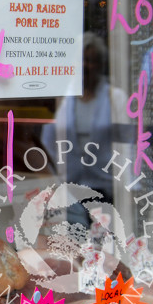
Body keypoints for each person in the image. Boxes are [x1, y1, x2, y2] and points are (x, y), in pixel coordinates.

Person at [42, 32, 129, 224]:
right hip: (71, 188)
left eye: (90, 61)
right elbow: (52, 138)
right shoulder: (66, 98)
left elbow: (127, 144)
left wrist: (127, 184)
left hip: (106, 187)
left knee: (104, 245)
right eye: (81, 60)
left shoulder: (115, 98)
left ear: (100, 64)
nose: (84, 66)